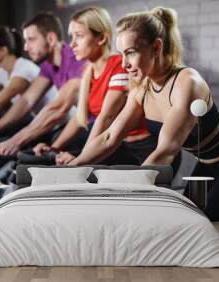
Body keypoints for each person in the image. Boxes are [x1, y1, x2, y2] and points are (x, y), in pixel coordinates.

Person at [69, 6, 219, 221]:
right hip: (208, 163)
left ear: (156, 47)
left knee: (202, 221)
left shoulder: (187, 83)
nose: (124, 64)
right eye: (121, 54)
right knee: (188, 216)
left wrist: (127, 192)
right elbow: (110, 137)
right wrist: (71, 171)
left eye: (131, 52)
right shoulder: (142, 87)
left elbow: (165, 152)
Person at [32, 6, 155, 166]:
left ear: (101, 38)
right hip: (113, 144)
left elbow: (106, 117)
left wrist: (81, 158)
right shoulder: (88, 71)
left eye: (80, 36)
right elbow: (79, 118)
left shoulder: (118, 65)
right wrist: (54, 148)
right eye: (72, 37)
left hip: (138, 150)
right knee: (61, 150)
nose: (72, 44)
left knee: (76, 159)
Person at [0, 12, 86, 156]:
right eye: (25, 41)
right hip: (75, 124)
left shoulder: (77, 60)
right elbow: (27, 100)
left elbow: (58, 109)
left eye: (31, 40)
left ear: (51, 39)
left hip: (94, 128)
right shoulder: (48, 65)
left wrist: (15, 142)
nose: (26, 47)